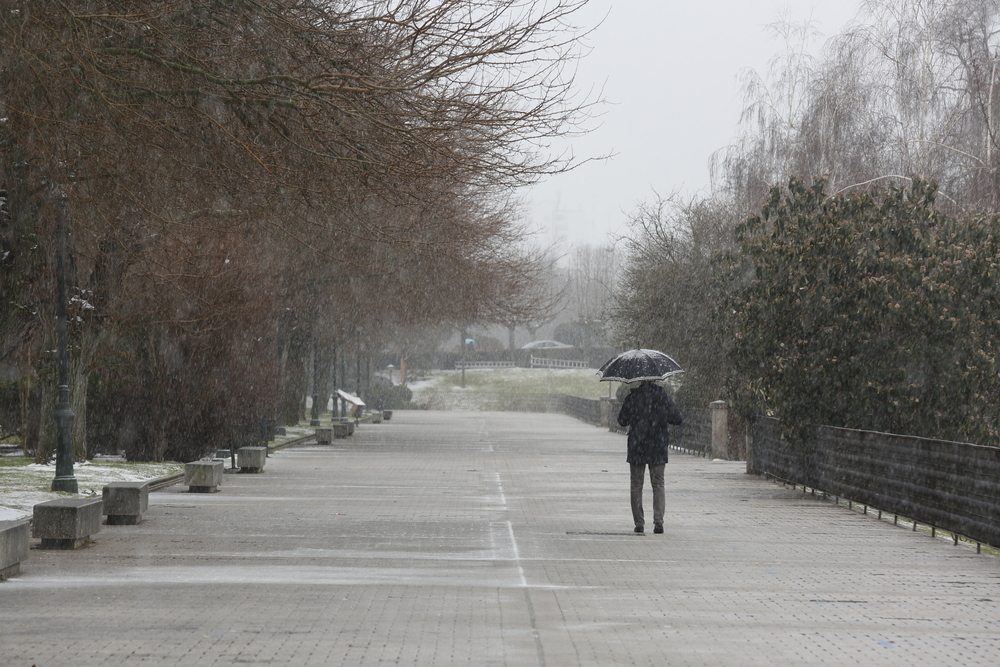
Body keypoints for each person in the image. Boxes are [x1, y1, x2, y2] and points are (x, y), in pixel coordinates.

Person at [616, 381, 683, 534]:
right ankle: (658, 522)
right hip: (657, 446)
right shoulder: (662, 396)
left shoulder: (632, 397)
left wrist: (636, 417)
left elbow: (621, 420)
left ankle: (639, 523)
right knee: (658, 484)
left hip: (637, 446)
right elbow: (678, 419)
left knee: (636, 485)